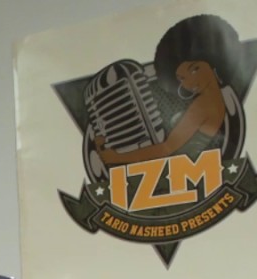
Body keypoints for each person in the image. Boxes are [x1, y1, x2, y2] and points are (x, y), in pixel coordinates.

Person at [95, 14, 244, 167]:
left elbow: (166, 149)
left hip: (179, 169)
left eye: (195, 69)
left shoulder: (203, 105)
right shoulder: (215, 100)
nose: (190, 82)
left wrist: (116, 157)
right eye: (182, 78)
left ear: (214, 63)